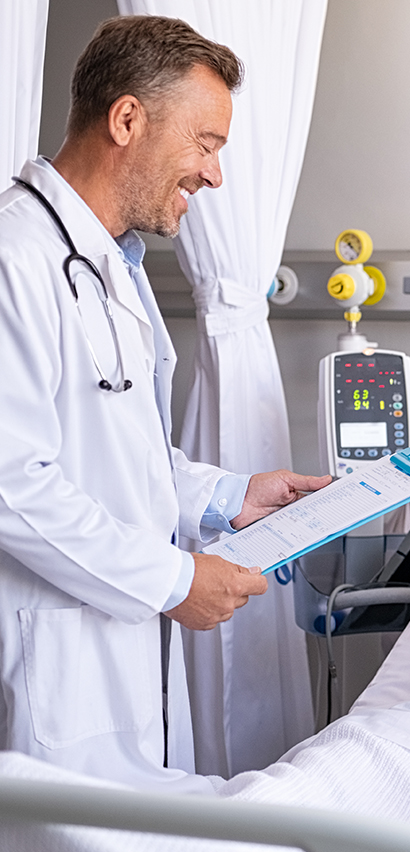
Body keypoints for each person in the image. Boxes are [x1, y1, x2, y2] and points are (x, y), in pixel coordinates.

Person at [0, 16, 330, 791]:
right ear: (126, 120)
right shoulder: (15, 261)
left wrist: (226, 496)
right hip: (56, 665)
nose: (215, 176)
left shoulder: (112, 263)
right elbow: (12, 483)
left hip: (120, 655)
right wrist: (175, 581)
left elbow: (119, 446)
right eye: (206, 143)